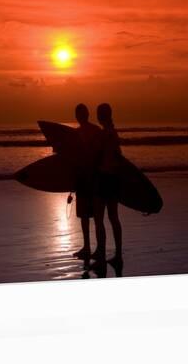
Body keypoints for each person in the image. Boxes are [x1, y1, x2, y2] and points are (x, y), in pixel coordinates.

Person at [91, 103, 123, 270]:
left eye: (98, 113)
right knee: (113, 218)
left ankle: (102, 257)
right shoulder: (113, 133)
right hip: (114, 178)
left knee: (99, 218)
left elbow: (99, 157)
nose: (97, 116)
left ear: (102, 115)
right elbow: (119, 157)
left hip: (104, 178)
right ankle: (118, 255)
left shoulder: (105, 134)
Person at [72, 103, 103, 261]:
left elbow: (102, 154)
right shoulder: (75, 134)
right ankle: (87, 247)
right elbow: (70, 156)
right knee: (84, 216)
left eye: (82, 113)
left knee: (97, 217)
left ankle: (98, 249)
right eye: (78, 114)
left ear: (87, 114)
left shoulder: (96, 131)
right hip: (82, 179)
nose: (81, 116)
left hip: (95, 179)